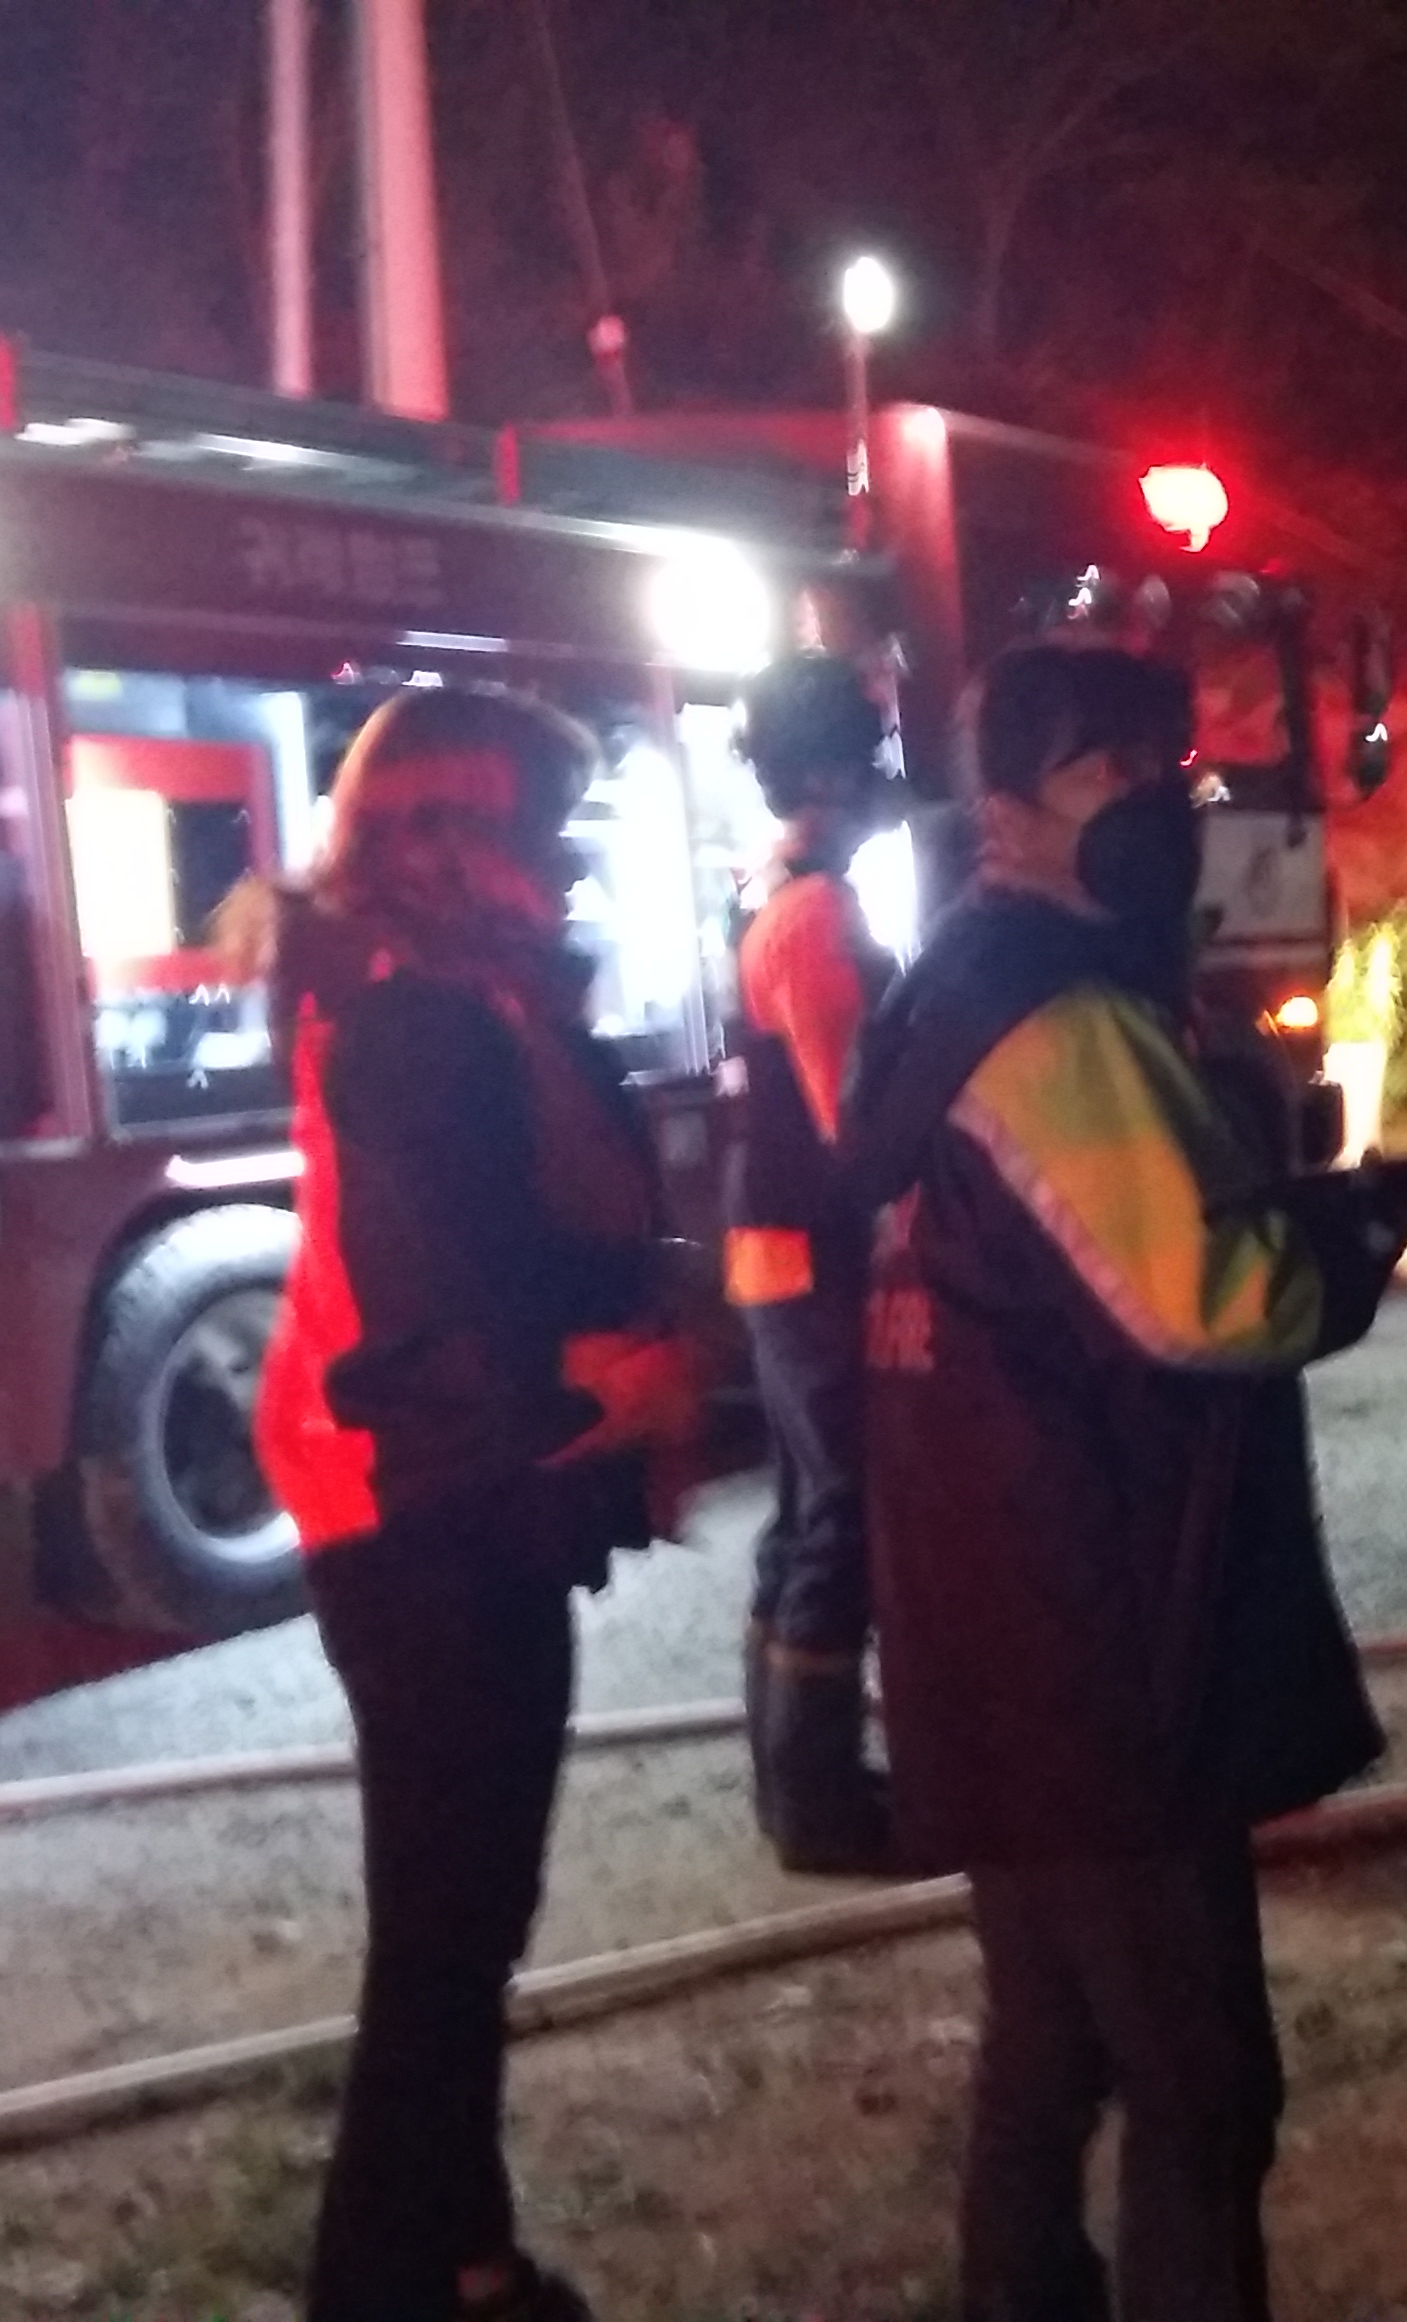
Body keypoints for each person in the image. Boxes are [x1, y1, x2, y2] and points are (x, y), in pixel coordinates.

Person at [836, 643, 1407, 2321]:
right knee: (1201, 2080)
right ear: (1004, 809)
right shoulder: (1061, 1021)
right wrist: (1355, 1229)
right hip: (1104, 1631)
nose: (1163, 804)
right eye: (1111, 771)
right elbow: (1206, 1299)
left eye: (1170, 767)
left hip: (983, 1610)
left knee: (1050, 2037)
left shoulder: (943, 987)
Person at [244, 689, 706, 2322]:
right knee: (446, 1928)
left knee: (468, 1917)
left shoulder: (467, 999)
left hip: (456, 1501)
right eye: (544, 830)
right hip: (422, 1511)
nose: (568, 862)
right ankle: (383, 2283)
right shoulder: (415, 1022)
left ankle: (464, 2260)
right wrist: (607, 1378)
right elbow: (453, 1288)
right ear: (456, 836)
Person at [724, 655, 906, 1877]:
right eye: (874, 751)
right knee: (844, 1507)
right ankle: (820, 1799)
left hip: (774, 1244)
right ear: (835, 769)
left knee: (805, 1506)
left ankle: (794, 1785)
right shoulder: (816, 914)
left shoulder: (776, 892)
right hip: (814, 1250)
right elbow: (859, 1119)